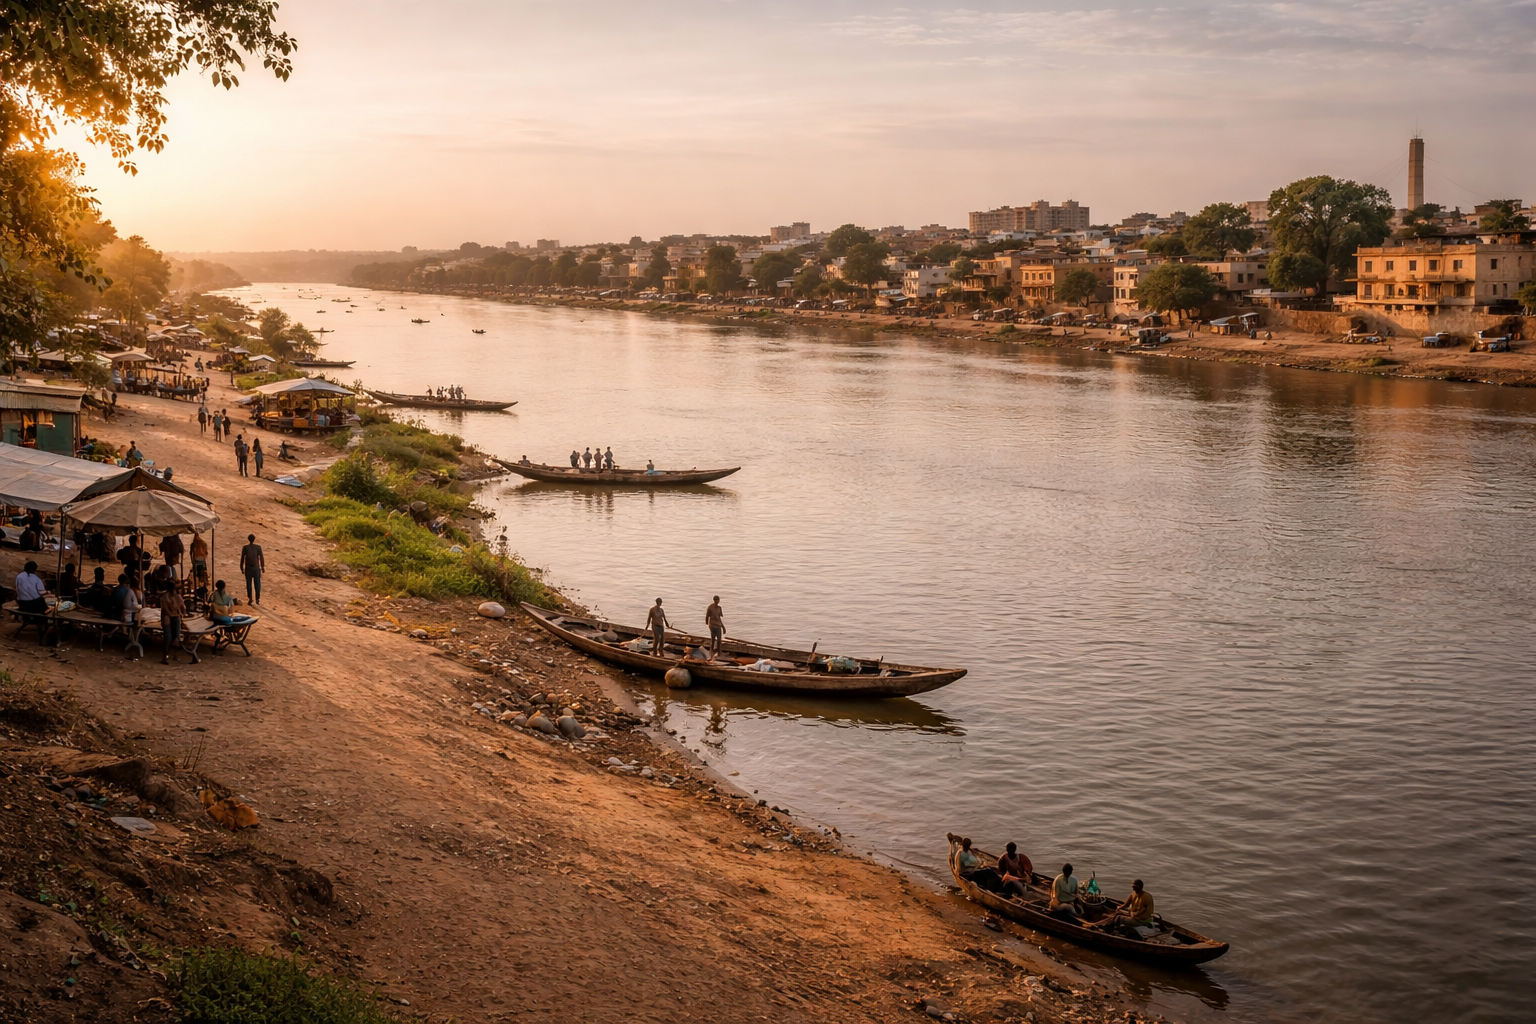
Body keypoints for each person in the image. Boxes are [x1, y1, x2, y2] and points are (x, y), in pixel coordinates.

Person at [1089, 879, 1156, 938]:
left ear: (1139, 888)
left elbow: (1143, 910)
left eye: (1135, 887)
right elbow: (1126, 904)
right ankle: (1107, 926)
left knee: (1119, 918)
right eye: (1133, 887)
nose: (1133, 889)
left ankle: (1108, 930)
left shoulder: (1146, 897)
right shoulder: (1134, 894)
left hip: (1140, 920)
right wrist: (1119, 907)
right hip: (1134, 916)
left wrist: (1134, 915)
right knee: (1117, 914)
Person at [158, 585, 193, 664]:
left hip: (175, 617)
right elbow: (167, 611)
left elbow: (182, 609)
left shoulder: (176, 597)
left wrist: (180, 610)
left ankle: (174, 655)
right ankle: (165, 657)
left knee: (176, 638)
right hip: (167, 616)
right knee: (168, 638)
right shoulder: (164, 598)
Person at [240, 533, 264, 605]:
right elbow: (261, 558)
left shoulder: (245, 547)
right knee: (257, 584)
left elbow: (242, 558)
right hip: (256, 568)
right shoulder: (258, 547)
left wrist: (241, 567)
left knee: (249, 584)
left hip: (249, 568)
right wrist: (262, 567)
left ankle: (251, 599)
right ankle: (257, 599)